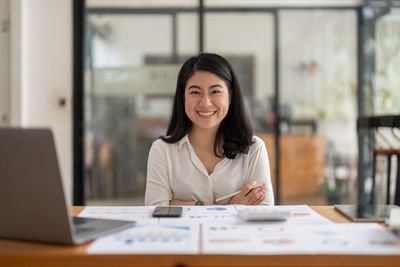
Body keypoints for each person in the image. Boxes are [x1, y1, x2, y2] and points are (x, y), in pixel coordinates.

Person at [144, 53, 274, 206]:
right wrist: (230, 208)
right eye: (195, 92)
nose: (205, 103)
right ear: (183, 96)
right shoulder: (162, 150)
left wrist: (178, 204)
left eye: (215, 92)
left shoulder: (254, 149)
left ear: (230, 96)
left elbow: (263, 211)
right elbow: (156, 211)